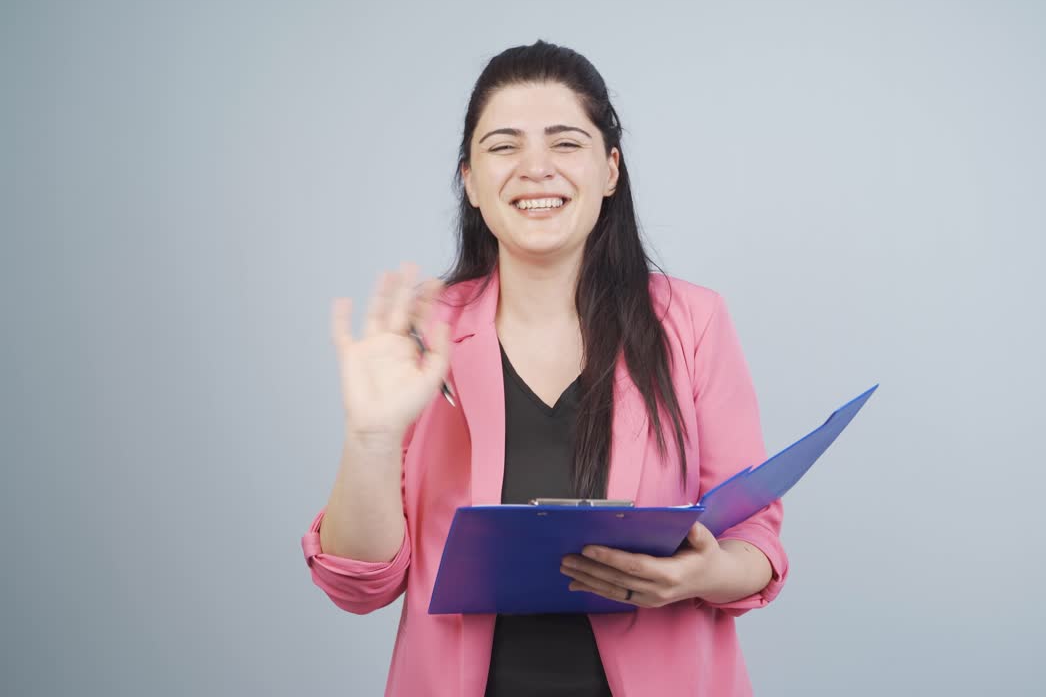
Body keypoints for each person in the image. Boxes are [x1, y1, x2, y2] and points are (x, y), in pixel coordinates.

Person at [301, 41, 787, 697]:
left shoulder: (693, 322)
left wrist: (699, 576)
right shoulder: (420, 331)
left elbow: (756, 540)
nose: (535, 169)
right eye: (504, 146)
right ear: (470, 179)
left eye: (565, 143)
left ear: (610, 169)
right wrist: (371, 439)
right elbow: (359, 585)